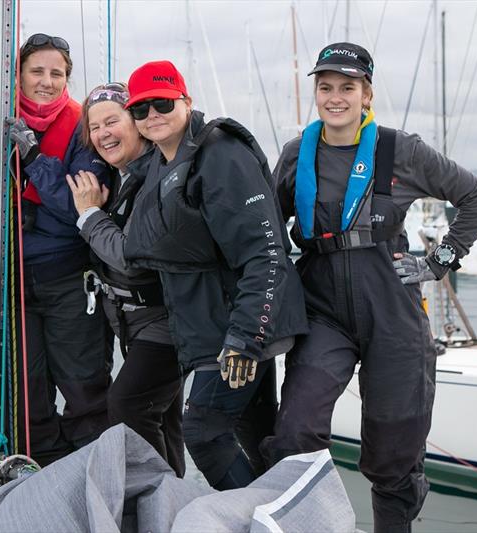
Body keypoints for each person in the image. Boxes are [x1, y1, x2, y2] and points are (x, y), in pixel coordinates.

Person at [260, 43, 477, 533]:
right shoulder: (293, 155)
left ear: (366, 94)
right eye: (325, 87)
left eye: (347, 87)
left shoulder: (401, 150)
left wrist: (441, 261)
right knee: (296, 430)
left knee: (395, 451)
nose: (335, 97)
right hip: (321, 305)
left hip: (391, 303)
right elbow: (260, 228)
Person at [120, 60, 308, 490]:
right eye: (141, 109)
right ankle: (281, 517)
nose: (152, 116)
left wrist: (245, 338)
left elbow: (265, 252)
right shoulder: (161, 162)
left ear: (186, 101)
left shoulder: (221, 154)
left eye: (162, 104)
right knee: (256, 436)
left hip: (238, 328)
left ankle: (251, 520)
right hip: (208, 326)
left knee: (203, 430)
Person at [65, 82, 184, 476]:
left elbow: (133, 259)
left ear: (136, 122)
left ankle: (153, 504)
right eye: (94, 127)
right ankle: (172, 504)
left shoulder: (154, 175)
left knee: (128, 405)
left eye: (112, 121)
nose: (103, 134)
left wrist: (89, 215)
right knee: (162, 417)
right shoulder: (120, 176)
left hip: (166, 320)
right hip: (134, 323)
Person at [5, 34, 112, 465]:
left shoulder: (83, 127)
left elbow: (78, 206)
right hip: (10, 277)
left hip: (67, 276)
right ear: (19, 75)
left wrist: (33, 158)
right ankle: (36, 477)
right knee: (24, 393)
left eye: (57, 73)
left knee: (84, 385)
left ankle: (89, 476)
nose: (47, 82)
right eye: (37, 72)